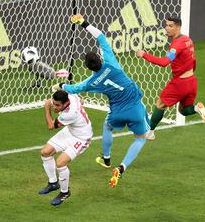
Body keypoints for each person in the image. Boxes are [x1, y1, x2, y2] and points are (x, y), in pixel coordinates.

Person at [53, 14, 150, 188]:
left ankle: (106, 159)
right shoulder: (111, 63)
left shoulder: (92, 82)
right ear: (100, 57)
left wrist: (60, 85)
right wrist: (84, 23)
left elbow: (74, 89)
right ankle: (122, 167)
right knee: (140, 138)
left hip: (117, 111)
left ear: (88, 67)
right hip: (134, 106)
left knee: (107, 126)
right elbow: (101, 37)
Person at [136, 17, 205, 141]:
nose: (167, 28)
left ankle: (150, 132)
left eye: (170, 26)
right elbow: (192, 60)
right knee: (184, 110)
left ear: (178, 27)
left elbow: (164, 62)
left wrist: (144, 54)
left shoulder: (176, 45)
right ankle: (198, 108)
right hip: (192, 81)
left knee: (160, 104)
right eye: (166, 25)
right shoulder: (188, 40)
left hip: (180, 83)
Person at [40, 90, 93, 206]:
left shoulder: (70, 114)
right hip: (70, 131)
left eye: (58, 105)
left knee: (60, 163)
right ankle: (53, 183)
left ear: (65, 103)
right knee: (45, 152)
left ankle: (65, 192)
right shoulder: (71, 96)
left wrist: (47, 107)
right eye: (53, 103)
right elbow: (80, 99)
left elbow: (50, 126)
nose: (55, 106)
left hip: (82, 138)